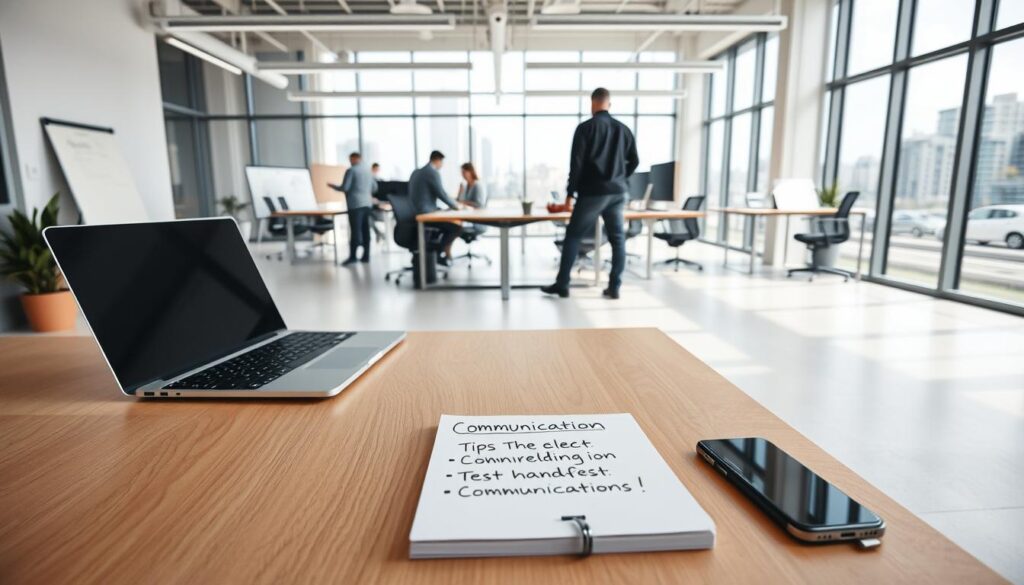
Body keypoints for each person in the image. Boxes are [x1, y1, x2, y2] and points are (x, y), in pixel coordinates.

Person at [541, 87, 638, 300]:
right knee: (617, 240)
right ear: (609, 104)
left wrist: (569, 194)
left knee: (573, 236)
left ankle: (562, 284)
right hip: (618, 192)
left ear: (592, 103)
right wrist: (621, 178)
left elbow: (576, 165)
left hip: (593, 192)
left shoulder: (585, 128)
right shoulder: (624, 129)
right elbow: (635, 161)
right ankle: (614, 287)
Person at [409, 150, 461, 265]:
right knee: (456, 227)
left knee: (446, 222)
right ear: (438, 160)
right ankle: (436, 253)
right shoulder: (432, 172)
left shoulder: (416, 172)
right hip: (427, 214)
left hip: (415, 213)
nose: (441, 166)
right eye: (442, 162)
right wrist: (456, 206)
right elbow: (442, 194)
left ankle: (431, 252)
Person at [329, 152, 377, 265]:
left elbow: (345, 187)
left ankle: (353, 257)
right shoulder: (368, 171)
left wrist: (334, 187)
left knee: (355, 231)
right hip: (367, 204)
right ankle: (366, 256)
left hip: (355, 205)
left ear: (355, 159)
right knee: (366, 230)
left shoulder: (351, 170)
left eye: (351, 159)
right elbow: (375, 187)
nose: (350, 161)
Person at [447, 162, 488, 258]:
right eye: (462, 172)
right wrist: (460, 191)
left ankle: (447, 252)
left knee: (453, 227)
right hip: (467, 218)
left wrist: (464, 202)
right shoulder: (466, 186)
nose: (463, 175)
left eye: (464, 172)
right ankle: (446, 252)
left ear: (470, 172)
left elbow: (479, 204)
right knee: (451, 224)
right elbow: (459, 201)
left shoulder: (478, 185)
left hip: (477, 222)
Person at [369, 162, 387, 243]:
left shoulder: (380, 180)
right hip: (370, 204)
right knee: (369, 220)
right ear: (372, 169)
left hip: (380, 204)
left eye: (378, 169)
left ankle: (381, 234)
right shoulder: (369, 179)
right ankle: (379, 234)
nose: (377, 171)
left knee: (383, 219)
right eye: (375, 169)